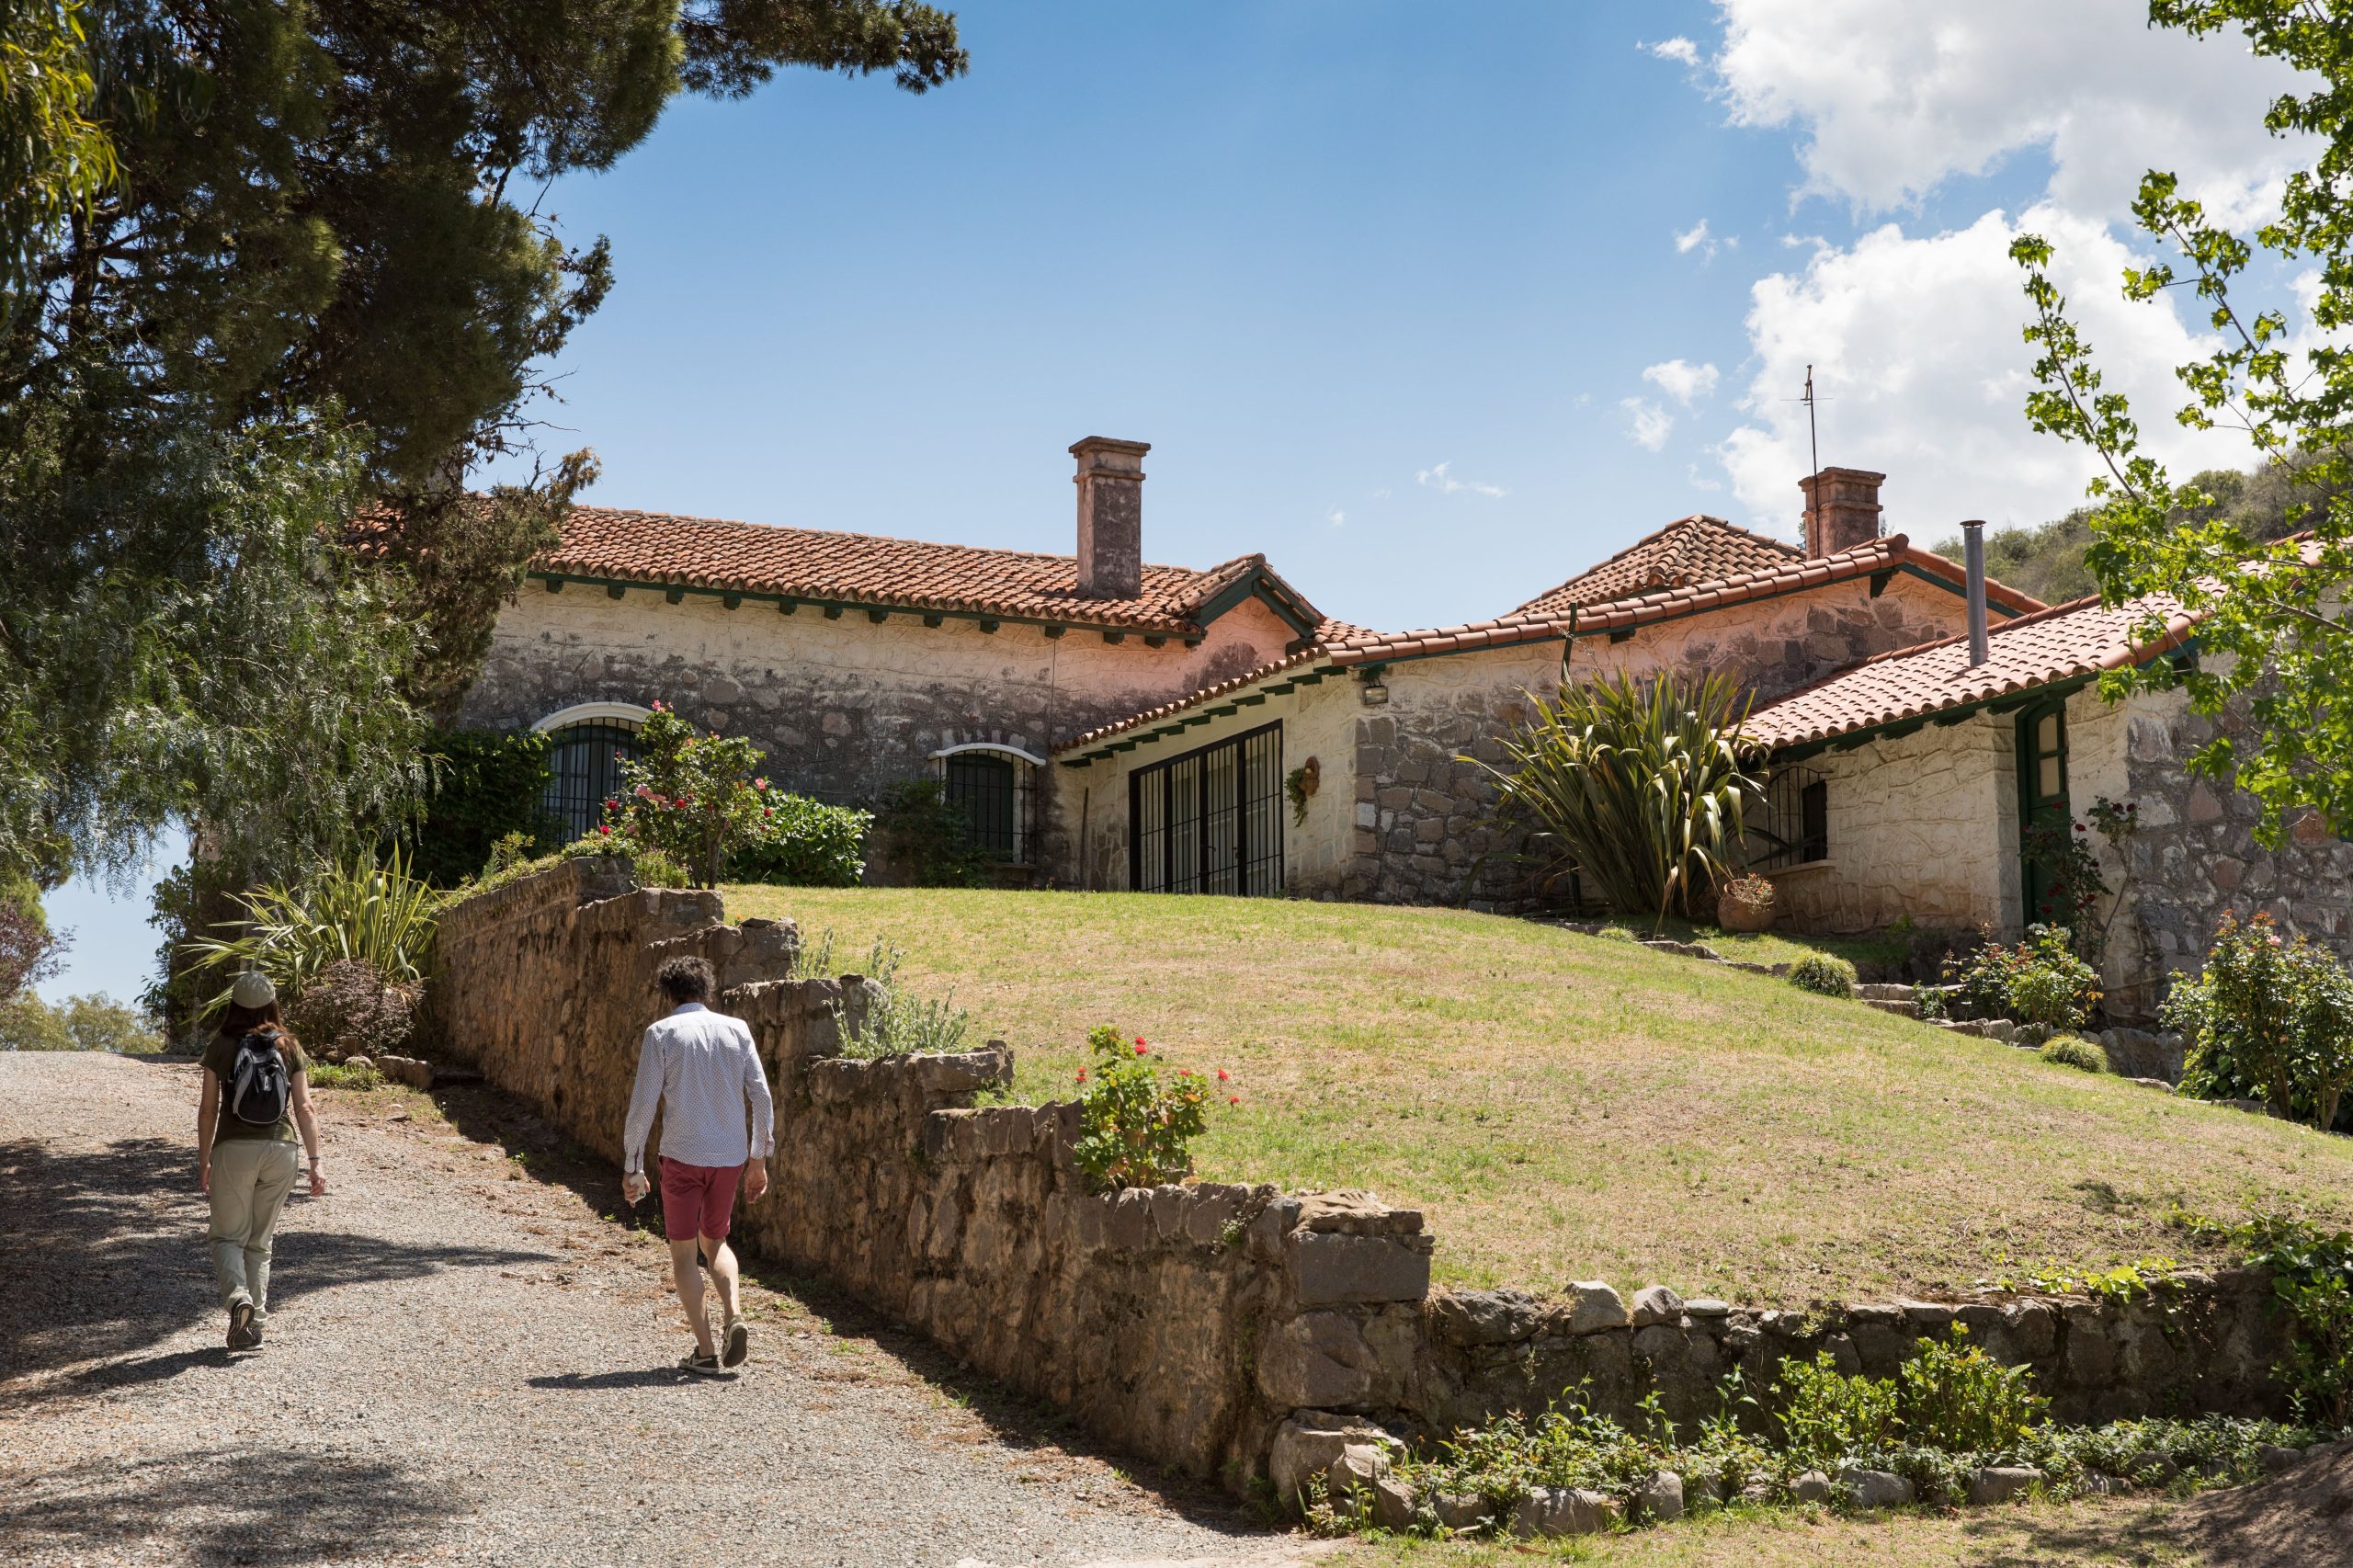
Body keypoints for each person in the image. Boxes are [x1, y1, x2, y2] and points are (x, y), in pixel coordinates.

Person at [622, 954, 773, 1377]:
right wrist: (759, 1160)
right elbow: (761, 1097)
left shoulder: (661, 1034)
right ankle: (735, 1313)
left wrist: (633, 1165)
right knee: (717, 1242)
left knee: (684, 1255)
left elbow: (643, 1105)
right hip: (729, 1158)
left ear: (668, 994)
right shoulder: (737, 1029)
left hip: (682, 1158)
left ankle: (706, 1352)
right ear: (706, 990)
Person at [196, 972, 326, 1352]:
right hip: (282, 1150)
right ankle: (255, 1328)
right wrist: (315, 1161)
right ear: (272, 1004)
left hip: (234, 1150)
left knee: (226, 1236)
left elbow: (208, 1110)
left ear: (233, 1004)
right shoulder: (289, 1046)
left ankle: (239, 1300)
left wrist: (205, 1159)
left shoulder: (220, 1046)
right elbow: (304, 1107)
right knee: (260, 1242)